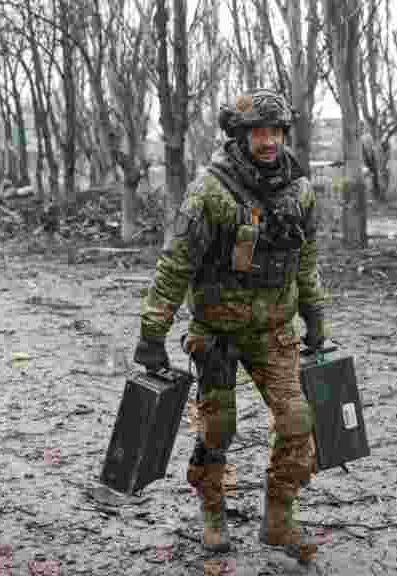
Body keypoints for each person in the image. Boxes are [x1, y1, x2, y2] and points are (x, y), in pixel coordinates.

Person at [133, 88, 329, 563]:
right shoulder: (210, 192)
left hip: (275, 331)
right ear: (238, 137)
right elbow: (175, 264)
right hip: (218, 331)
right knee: (219, 428)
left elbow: (305, 260)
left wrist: (316, 315)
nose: (269, 142)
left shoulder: (299, 190)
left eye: (276, 132)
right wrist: (152, 333)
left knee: (297, 421)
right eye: (258, 132)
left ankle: (279, 520)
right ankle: (213, 511)